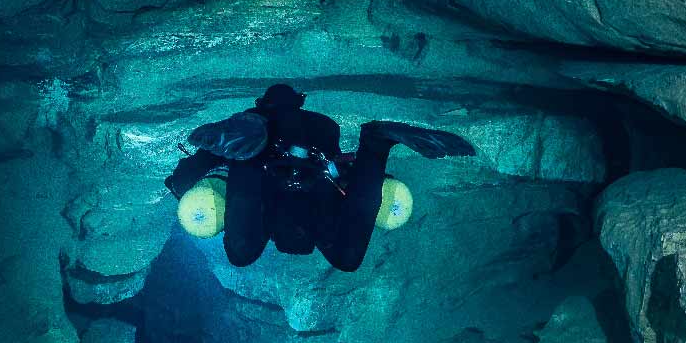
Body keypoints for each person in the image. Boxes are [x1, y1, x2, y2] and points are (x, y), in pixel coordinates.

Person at [164, 84, 475, 272]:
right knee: (240, 251)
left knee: (346, 259)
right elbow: (196, 164)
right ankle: (377, 141)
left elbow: (361, 191)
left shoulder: (243, 137)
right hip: (306, 169)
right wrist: (182, 181)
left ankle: (377, 143)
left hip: (302, 167)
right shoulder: (238, 138)